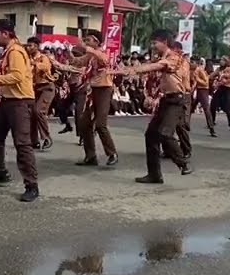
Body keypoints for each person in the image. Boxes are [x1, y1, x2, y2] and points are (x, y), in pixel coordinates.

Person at [0, 19, 39, 202]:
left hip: (20, 102)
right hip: (7, 101)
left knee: (22, 143)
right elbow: (7, 74)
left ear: (5, 33)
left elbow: (17, 76)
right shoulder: (8, 51)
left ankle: (31, 185)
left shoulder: (16, 51)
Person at [119, 29, 191, 184]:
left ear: (164, 42)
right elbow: (154, 71)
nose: (152, 46)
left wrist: (134, 69)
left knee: (165, 133)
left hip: (177, 101)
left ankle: (183, 163)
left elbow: (155, 67)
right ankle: (154, 175)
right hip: (166, 100)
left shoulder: (175, 58)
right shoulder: (161, 58)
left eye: (154, 43)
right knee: (151, 135)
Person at [62, 30, 118, 167]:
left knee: (100, 124)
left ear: (96, 41)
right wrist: (69, 51)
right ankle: (91, 156)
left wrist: (84, 47)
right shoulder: (90, 55)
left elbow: (103, 60)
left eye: (88, 40)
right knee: (84, 123)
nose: (86, 43)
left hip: (104, 89)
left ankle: (112, 153)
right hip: (92, 90)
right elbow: (77, 61)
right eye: (85, 40)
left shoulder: (104, 53)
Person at [26, 37, 56, 151]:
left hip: (46, 87)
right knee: (32, 114)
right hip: (34, 88)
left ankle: (46, 137)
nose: (28, 48)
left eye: (31, 46)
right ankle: (34, 141)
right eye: (27, 46)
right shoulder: (27, 58)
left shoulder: (44, 57)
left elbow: (46, 67)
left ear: (37, 46)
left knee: (39, 111)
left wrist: (34, 63)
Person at [191, 57, 216, 137]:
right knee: (190, 108)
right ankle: (185, 125)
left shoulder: (200, 70)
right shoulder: (193, 70)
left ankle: (211, 128)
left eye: (192, 62)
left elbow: (205, 82)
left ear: (196, 63)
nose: (191, 64)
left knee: (206, 109)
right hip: (199, 91)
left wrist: (196, 78)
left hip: (203, 90)